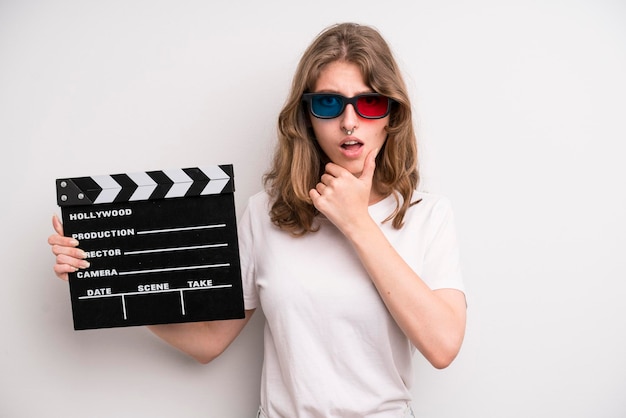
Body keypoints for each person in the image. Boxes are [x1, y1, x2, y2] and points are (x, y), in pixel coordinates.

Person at [48, 22, 466, 418]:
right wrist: (109, 283)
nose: (349, 121)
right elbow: (209, 340)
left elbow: (443, 345)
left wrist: (357, 221)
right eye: (328, 102)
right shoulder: (266, 214)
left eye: (369, 101)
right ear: (306, 116)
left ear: (391, 114)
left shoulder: (426, 215)